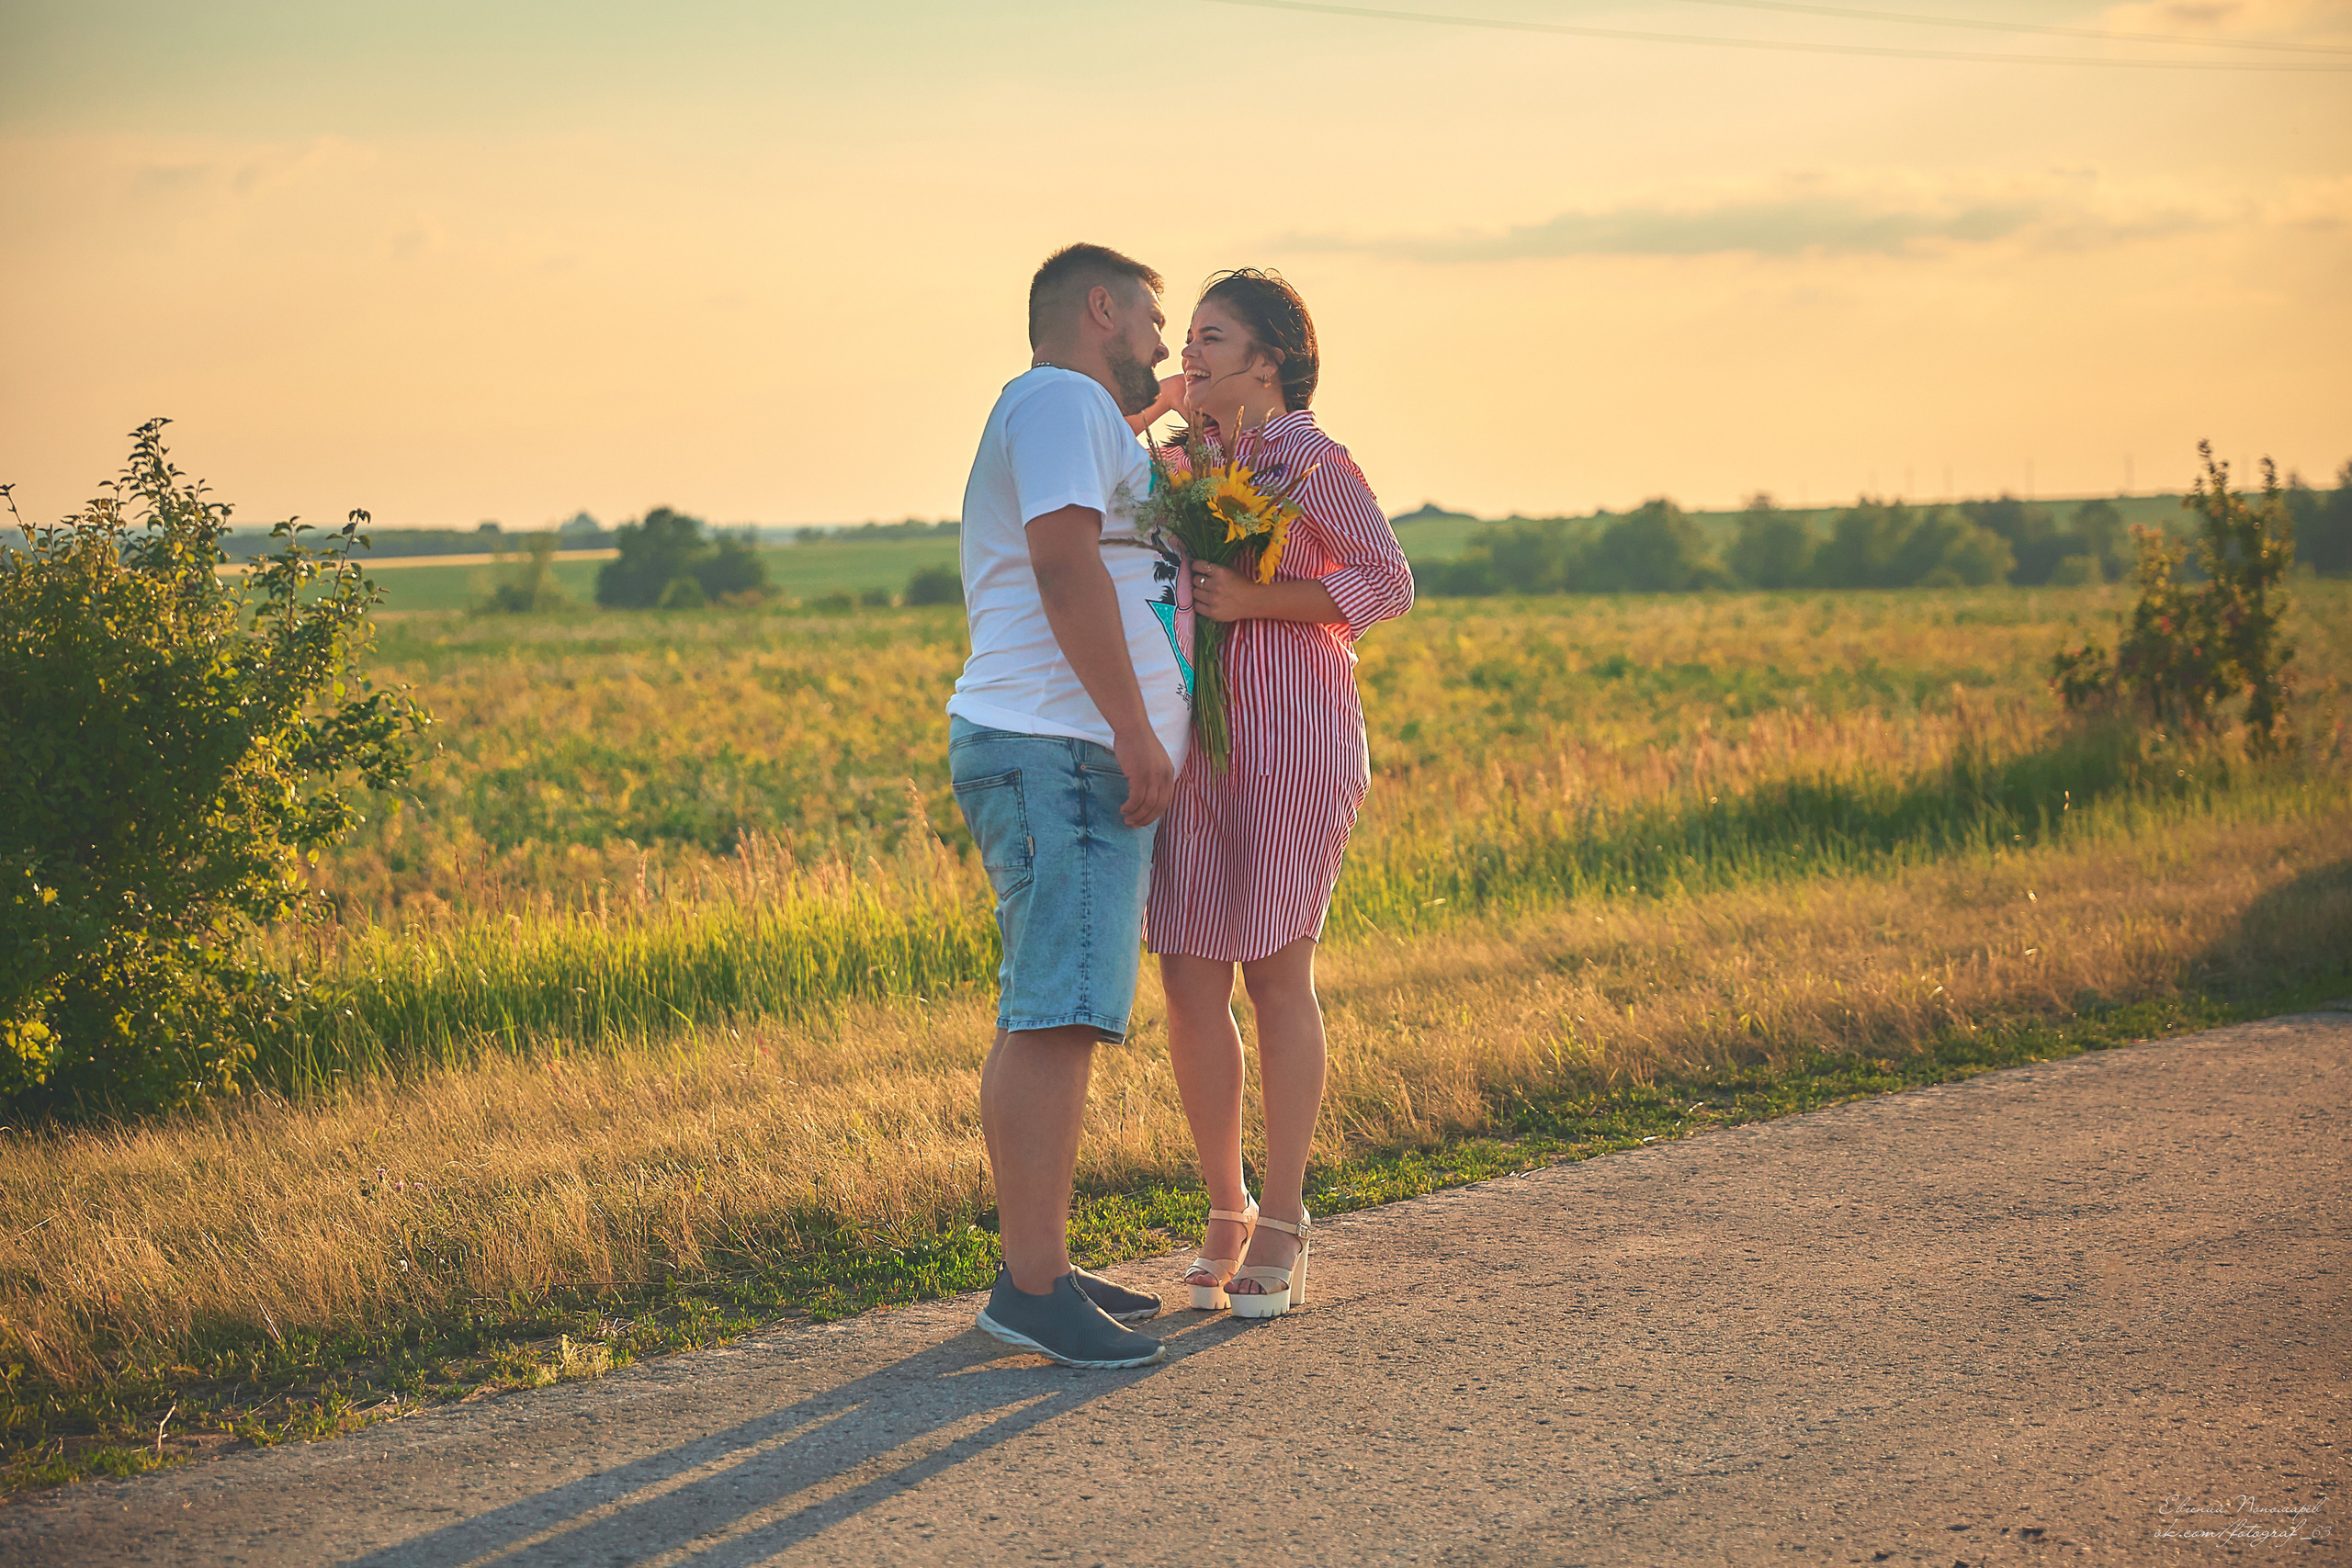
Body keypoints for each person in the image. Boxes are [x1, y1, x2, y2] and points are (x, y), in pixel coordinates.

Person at [1135, 269, 1414, 1320]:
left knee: (1274, 974)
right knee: (1186, 976)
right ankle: (1225, 1206)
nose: (1188, 353)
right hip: (1193, 738)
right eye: (1187, 338)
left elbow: (1386, 581)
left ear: (1269, 360)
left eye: (1209, 339)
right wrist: (1159, 410)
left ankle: (1286, 1219)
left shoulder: (1310, 459)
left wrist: (1256, 600)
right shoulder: (1180, 463)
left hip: (1294, 734)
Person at [947, 243, 1193, 1369]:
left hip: (1051, 742)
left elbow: (1101, 511)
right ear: (1101, 309)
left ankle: (1034, 1262)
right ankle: (1034, 1290)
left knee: (1045, 1008)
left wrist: (1164, 408)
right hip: (1062, 746)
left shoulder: (1078, 415)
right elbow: (1061, 561)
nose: (1161, 341)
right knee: (1056, 1015)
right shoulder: (1057, 400)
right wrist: (1132, 731)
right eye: (1151, 320)